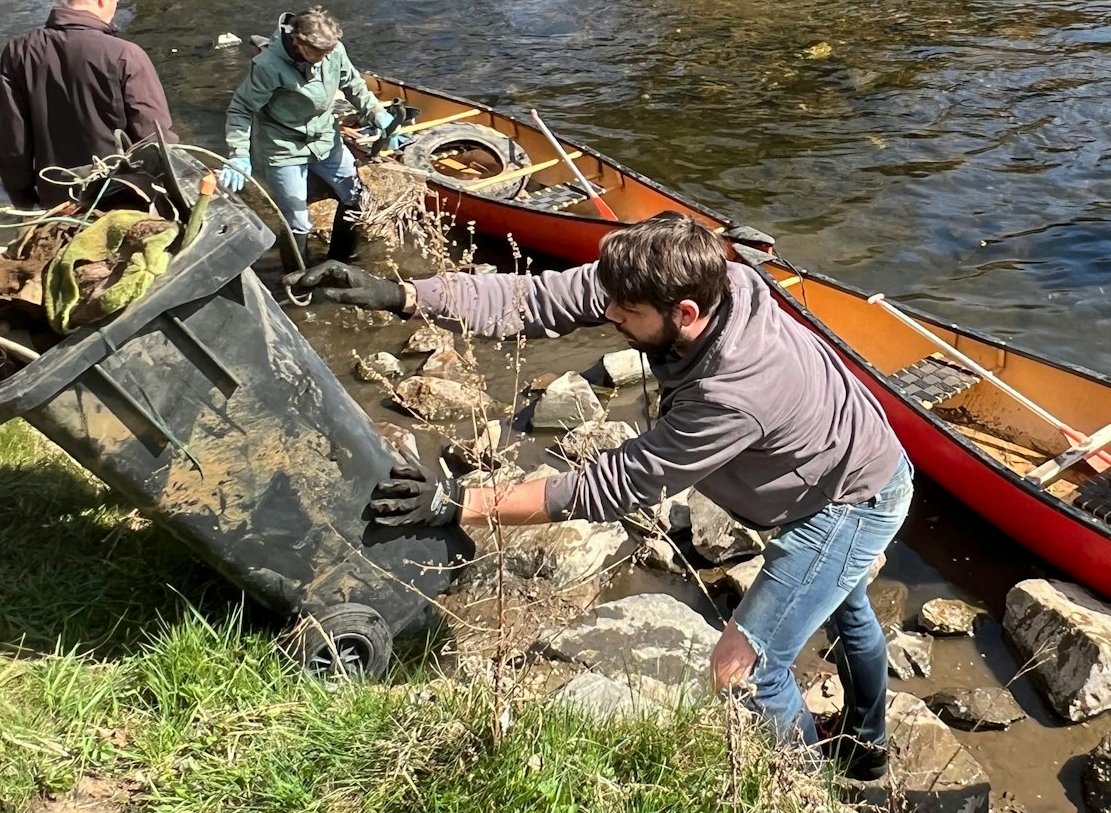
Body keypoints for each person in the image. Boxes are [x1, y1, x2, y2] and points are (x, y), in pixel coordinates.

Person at [290, 214, 912, 774]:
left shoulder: (734, 394)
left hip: (851, 501)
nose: (610, 318)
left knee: (743, 670)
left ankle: (804, 804)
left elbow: (612, 486)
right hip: (831, 462)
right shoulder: (691, 279)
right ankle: (865, 747)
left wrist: (460, 501)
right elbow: (533, 298)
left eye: (626, 314)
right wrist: (399, 295)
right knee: (845, 604)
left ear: (686, 314)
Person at [0, 0, 176, 208]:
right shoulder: (126, 55)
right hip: (121, 198)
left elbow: (12, 139)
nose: (117, 2)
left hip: (57, 197)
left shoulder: (18, 52)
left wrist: (21, 196)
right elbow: (154, 140)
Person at [221, 6, 389, 264]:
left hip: (325, 138)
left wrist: (376, 113)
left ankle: (341, 263)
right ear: (298, 43)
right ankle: (296, 283)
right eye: (317, 53)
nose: (324, 58)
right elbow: (241, 108)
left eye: (329, 52)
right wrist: (239, 154)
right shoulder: (268, 66)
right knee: (298, 221)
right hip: (283, 146)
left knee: (355, 195)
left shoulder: (334, 51)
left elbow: (353, 84)